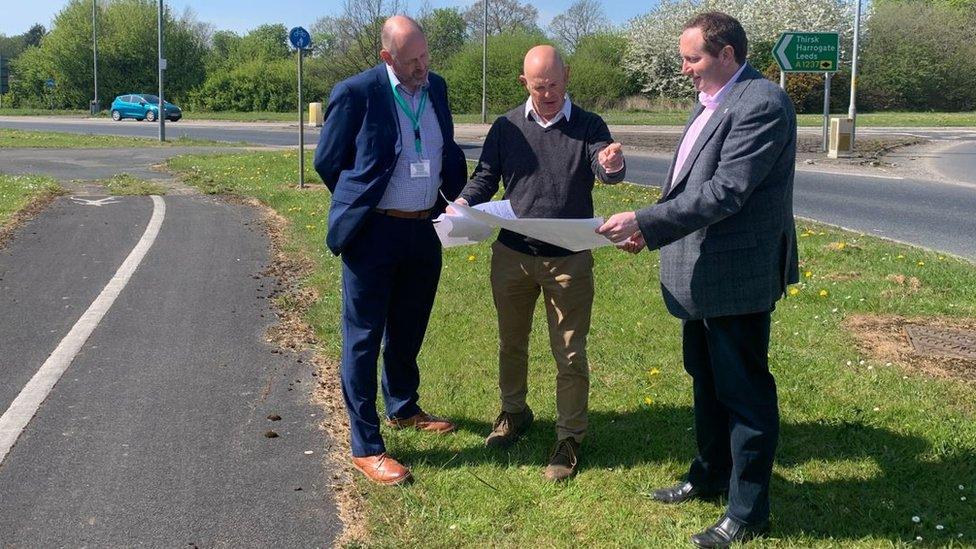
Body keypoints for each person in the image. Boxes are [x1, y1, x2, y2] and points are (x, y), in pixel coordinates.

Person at [597, 11, 798, 548]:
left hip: (737, 275)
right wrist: (654, 231)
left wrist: (644, 220)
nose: (684, 69)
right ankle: (709, 474)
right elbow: (687, 188)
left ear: (727, 53)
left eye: (693, 58)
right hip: (702, 272)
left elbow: (728, 190)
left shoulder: (761, 103)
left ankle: (750, 511)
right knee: (706, 379)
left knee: (744, 392)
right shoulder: (711, 100)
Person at [454, 45, 626, 482]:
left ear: (567, 75)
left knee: (569, 353)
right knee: (511, 343)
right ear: (523, 83)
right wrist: (463, 202)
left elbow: (606, 168)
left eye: (553, 84)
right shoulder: (506, 126)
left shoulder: (589, 125)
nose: (547, 93)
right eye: (538, 86)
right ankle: (514, 413)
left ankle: (569, 436)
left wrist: (613, 164)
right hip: (513, 256)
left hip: (569, 260)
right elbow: (485, 177)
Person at [313, 15, 467, 486]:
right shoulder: (357, 93)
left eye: (426, 56)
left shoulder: (435, 87)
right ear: (387, 58)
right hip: (374, 234)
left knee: (408, 326)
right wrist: (361, 203)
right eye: (412, 60)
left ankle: (401, 406)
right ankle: (366, 445)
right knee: (363, 339)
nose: (422, 67)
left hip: (424, 231)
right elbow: (328, 162)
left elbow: (443, 145)